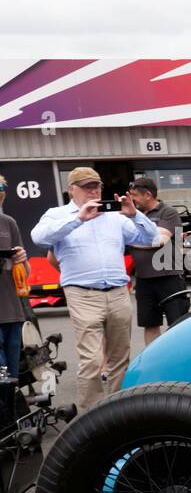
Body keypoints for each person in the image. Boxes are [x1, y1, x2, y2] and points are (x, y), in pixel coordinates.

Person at [31, 167, 159, 414]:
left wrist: (135, 215)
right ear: (72, 190)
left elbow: (151, 239)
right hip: (82, 293)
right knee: (91, 360)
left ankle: (120, 411)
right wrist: (78, 218)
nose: (93, 191)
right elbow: (39, 237)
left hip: (118, 292)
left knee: (120, 357)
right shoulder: (57, 214)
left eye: (96, 186)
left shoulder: (115, 215)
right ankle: (91, 415)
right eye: (86, 186)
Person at [125, 178, 183, 346]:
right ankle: (154, 364)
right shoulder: (132, 216)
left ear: (148, 195)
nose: (132, 200)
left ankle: (179, 361)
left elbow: (158, 240)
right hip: (143, 279)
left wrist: (130, 240)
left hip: (169, 277)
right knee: (149, 324)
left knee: (178, 324)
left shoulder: (168, 213)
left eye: (134, 196)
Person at [0, 174, 29, 397]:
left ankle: (11, 409)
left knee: (12, 367)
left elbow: (25, 272)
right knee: (0, 370)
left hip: (12, 308)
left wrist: (21, 260)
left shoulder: (9, 223)